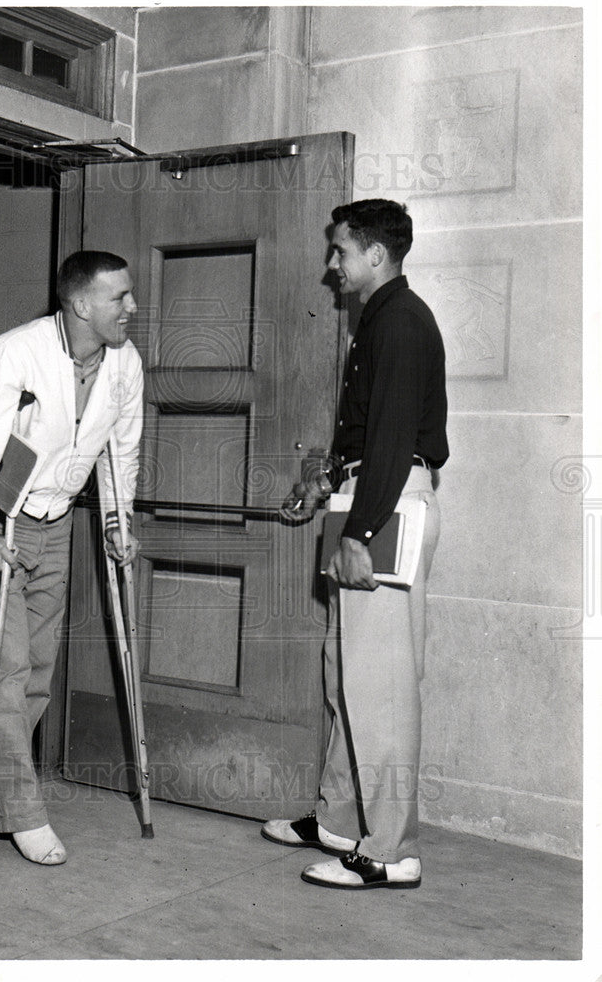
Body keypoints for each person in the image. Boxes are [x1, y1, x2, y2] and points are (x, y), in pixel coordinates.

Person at [263, 199, 448, 889]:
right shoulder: (378, 322)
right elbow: (365, 439)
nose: (331, 265)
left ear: (376, 254)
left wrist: (361, 533)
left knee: (384, 687)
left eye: (339, 251)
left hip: (387, 502)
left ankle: (392, 851)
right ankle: (342, 819)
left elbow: (395, 444)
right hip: (365, 495)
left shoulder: (401, 322)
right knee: (346, 673)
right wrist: (324, 487)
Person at [0, 250, 144, 866]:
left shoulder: (125, 362)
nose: (132, 307)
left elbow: (122, 448)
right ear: (82, 304)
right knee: (0, 673)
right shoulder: (16, 353)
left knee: (37, 670)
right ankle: (24, 810)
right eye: (120, 298)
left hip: (55, 522)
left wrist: (118, 518)